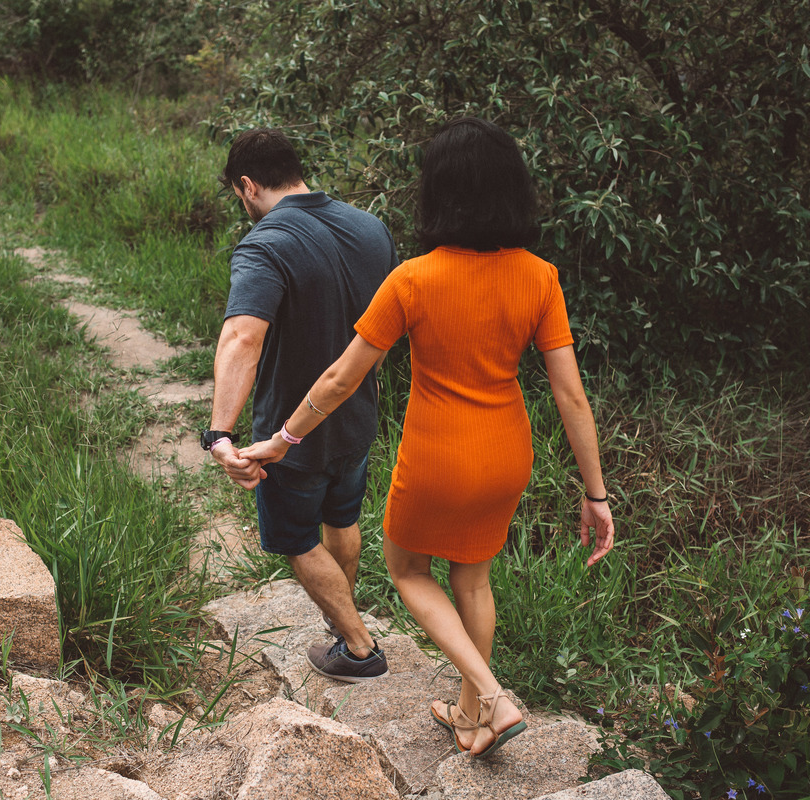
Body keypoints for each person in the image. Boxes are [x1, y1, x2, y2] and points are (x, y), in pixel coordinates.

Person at [240, 118, 616, 757]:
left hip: (437, 455)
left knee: (408, 569)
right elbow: (571, 395)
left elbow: (340, 378)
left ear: (438, 192)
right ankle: (470, 718)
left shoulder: (414, 278)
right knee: (473, 580)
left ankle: (491, 698)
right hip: (505, 455)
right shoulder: (540, 277)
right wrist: (597, 494)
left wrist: (283, 439)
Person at [203, 128, 399, 682]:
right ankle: (343, 620)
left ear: (247, 185)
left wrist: (220, 434)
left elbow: (242, 337)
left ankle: (358, 648)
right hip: (357, 415)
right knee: (342, 515)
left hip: (289, 431)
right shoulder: (371, 228)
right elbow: (387, 328)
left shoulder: (265, 243)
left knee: (296, 538)